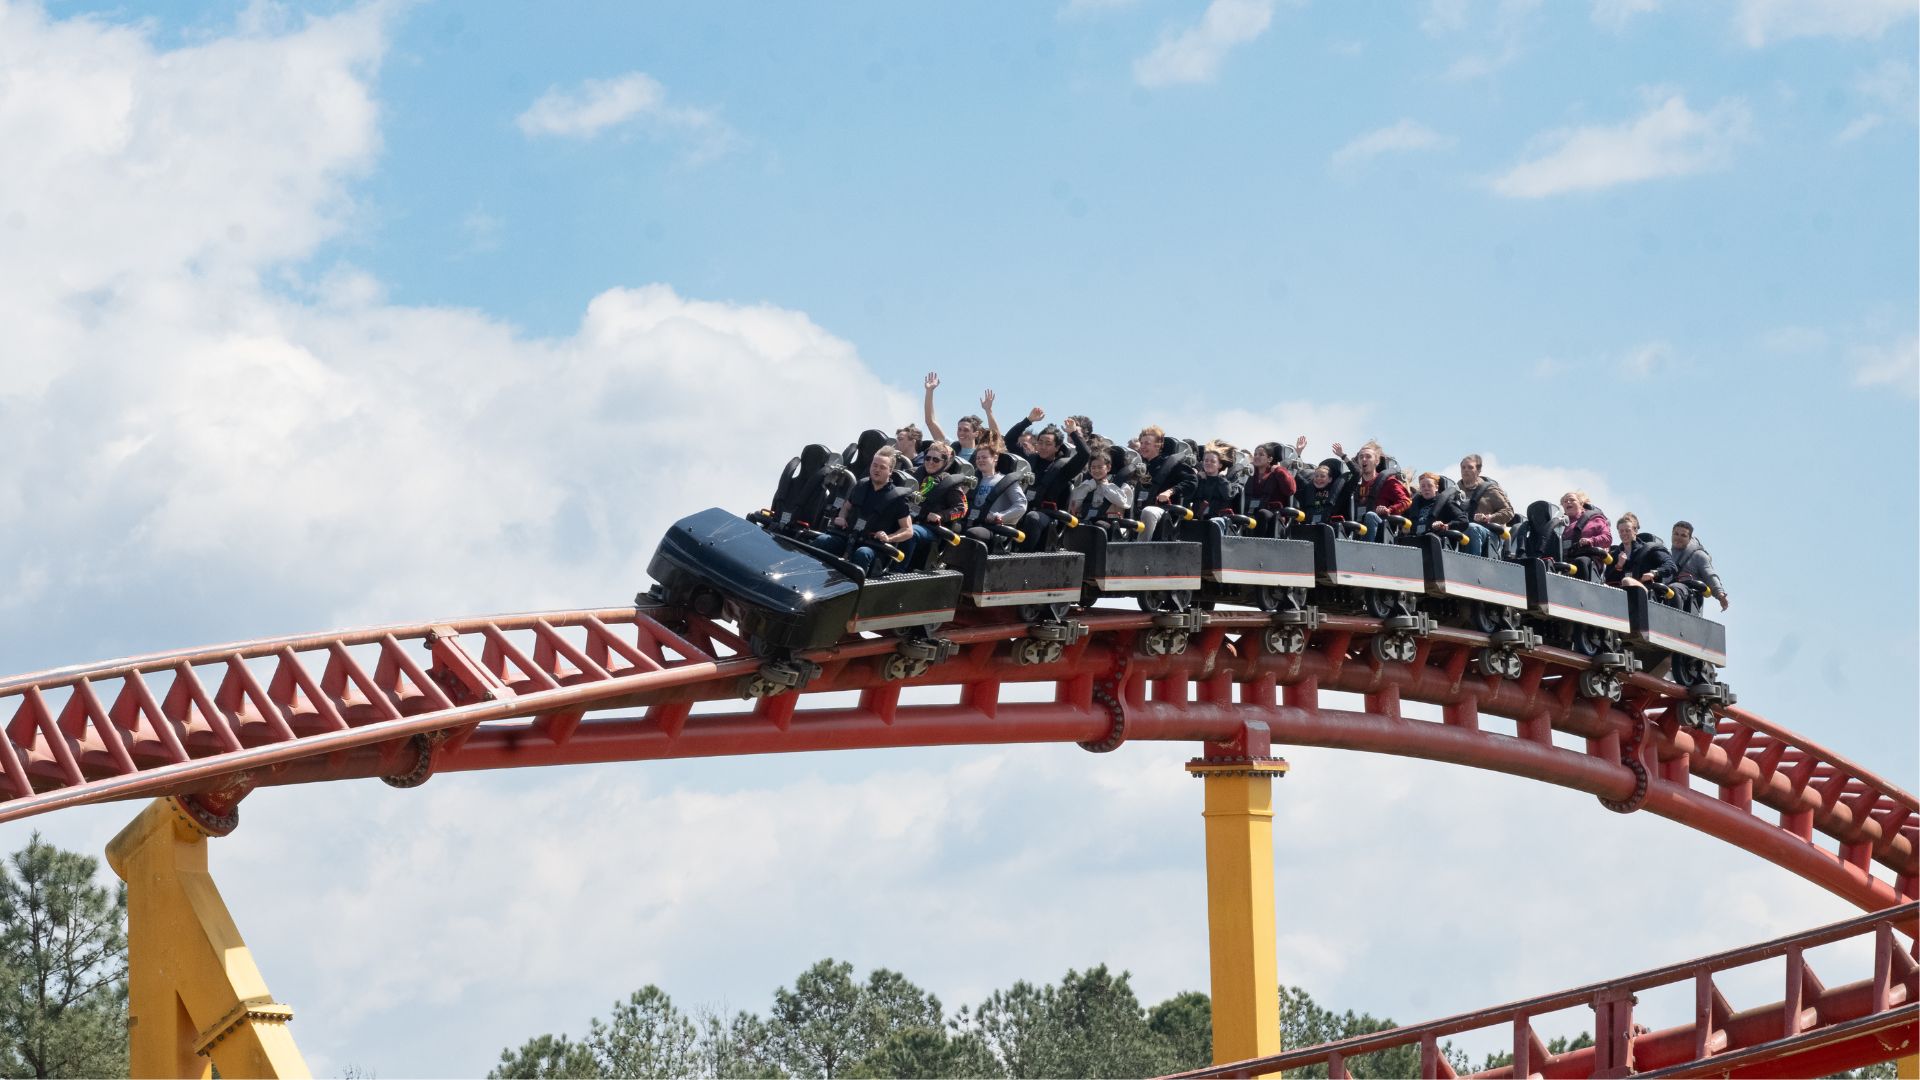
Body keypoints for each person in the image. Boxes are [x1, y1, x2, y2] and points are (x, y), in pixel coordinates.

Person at [819, 446, 914, 575]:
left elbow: (908, 531)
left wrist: (889, 538)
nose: (877, 469)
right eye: (875, 465)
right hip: (848, 537)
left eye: (882, 467)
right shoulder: (860, 485)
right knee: (822, 541)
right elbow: (846, 507)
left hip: (874, 547)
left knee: (862, 553)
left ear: (890, 471)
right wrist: (841, 517)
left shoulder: (897, 498)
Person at [906, 442, 969, 566]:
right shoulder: (913, 475)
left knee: (910, 532)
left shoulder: (949, 483)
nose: (930, 462)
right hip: (907, 519)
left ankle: (898, 571)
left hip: (929, 528)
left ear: (944, 463)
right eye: (928, 458)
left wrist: (941, 515)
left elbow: (962, 509)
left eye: (936, 460)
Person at [1337, 440, 1410, 542]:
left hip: (1380, 529)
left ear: (1377, 461)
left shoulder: (1388, 482)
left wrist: (1389, 510)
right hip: (1355, 529)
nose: (1364, 459)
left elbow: (1406, 501)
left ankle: (1366, 550)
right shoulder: (1352, 484)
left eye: (1368, 456)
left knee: (1371, 516)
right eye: (1361, 457)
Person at [1135, 425, 1197, 540]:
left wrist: (1170, 491)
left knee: (1148, 511)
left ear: (1158, 445)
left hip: (1165, 511)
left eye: (1147, 443)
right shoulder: (1142, 467)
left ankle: (1140, 550)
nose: (1143, 447)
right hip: (1140, 511)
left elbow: (1192, 481)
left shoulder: (1170, 464)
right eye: (1141, 443)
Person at [963, 443, 1029, 546]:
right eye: (978, 458)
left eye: (984, 457)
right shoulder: (972, 481)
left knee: (973, 533)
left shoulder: (1005, 481)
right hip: (971, 522)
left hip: (994, 529)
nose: (980, 460)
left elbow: (1021, 505)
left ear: (995, 458)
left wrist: (1000, 516)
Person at [1457, 455, 1515, 557]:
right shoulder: (1455, 491)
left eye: (1470, 467)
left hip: (1489, 534)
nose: (1466, 470)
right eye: (1463, 467)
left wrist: (1489, 517)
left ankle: (1473, 564)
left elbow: (1508, 511)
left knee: (1472, 528)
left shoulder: (1490, 489)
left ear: (1478, 471)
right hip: (1462, 531)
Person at [1067, 444, 1135, 531]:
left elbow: (1124, 503)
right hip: (1086, 523)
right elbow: (1074, 504)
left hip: (1111, 526)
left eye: (1100, 467)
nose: (1096, 470)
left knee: (1099, 525)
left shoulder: (1122, 486)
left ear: (1108, 467)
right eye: (1093, 468)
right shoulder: (1086, 485)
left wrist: (1105, 486)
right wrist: (1089, 486)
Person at [1606, 512, 1675, 592]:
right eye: (1621, 531)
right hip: (1620, 593)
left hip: (1645, 592)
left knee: (1627, 581)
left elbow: (1671, 565)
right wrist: (1619, 566)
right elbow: (1607, 579)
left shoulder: (1649, 550)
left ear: (1635, 530)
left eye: (1627, 530)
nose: (1624, 533)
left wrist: (1654, 573)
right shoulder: (1615, 554)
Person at [1407, 471, 1477, 551]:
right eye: (1423, 486)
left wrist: (1446, 526)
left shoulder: (1446, 503)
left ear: (1436, 487)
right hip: (1413, 543)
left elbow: (1463, 520)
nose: (1426, 488)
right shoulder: (1414, 505)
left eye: (1429, 486)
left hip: (1438, 545)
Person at [1669, 520, 1729, 613]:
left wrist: (1720, 595)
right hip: (1671, 589)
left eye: (1683, 535)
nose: (1678, 538)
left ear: (1689, 538)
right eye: (1676, 534)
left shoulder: (1698, 556)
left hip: (1690, 593)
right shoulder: (1667, 555)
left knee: (1674, 589)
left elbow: (1710, 576)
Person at [922, 372, 986, 456]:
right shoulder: (951, 448)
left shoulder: (981, 455)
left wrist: (989, 411)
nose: (961, 433)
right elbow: (930, 422)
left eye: (966, 430)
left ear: (976, 433)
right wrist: (929, 391)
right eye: (959, 429)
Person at [1558, 491, 1613, 580]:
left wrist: (1590, 540)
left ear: (1581, 504)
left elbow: (1607, 538)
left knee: (1580, 562)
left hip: (1588, 559)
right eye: (1565, 501)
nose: (1568, 502)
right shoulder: (1559, 525)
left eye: (1572, 500)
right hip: (1564, 560)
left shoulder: (1594, 519)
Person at [1244, 441, 1298, 532]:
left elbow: (1290, 490)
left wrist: (1280, 470)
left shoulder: (1277, 473)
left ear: (1269, 459)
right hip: (1250, 512)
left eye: (1261, 455)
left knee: (1263, 514)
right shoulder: (1249, 474)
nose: (1257, 457)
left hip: (1273, 514)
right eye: (1255, 454)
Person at [1192, 445, 1242, 520]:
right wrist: (1197, 478)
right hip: (1196, 520)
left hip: (1217, 521)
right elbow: (1188, 497)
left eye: (1213, 461)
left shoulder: (1226, 481)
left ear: (1220, 465)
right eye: (1206, 461)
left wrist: (1222, 478)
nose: (1208, 463)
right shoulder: (1199, 478)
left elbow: (1228, 495)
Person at [1294, 460, 1345, 526]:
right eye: (1316, 476)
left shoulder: (1337, 491)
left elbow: (1357, 473)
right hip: (1308, 527)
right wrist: (1298, 458)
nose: (1318, 478)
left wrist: (1344, 457)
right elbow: (1297, 474)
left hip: (1330, 527)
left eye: (1322, 476)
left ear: (1330, 479)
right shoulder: (1308, 489)